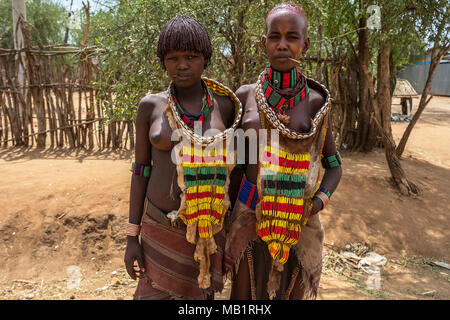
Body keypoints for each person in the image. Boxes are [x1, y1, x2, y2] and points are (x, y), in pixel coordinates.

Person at [224, 2, 342, 300]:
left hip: (298, 220)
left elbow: (334, 165)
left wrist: (314, 205)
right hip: (249, 214)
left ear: (306, 43)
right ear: (264, 43)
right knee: (242, 296)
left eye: (292, 37)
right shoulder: (245, 96)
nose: (283, 44)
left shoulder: (317, 101)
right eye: (274, 37)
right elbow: (233, 165)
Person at [124, 15, 242, 300]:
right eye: (172, 58)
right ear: (163, 61)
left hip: (207, 229)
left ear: (206, 58)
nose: (182, 65)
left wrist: (232, 229)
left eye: (191, 56)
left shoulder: (225, 106)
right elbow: (141, 171)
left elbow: (235, 171)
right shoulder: (150, 106)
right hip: (158, 227)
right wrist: (131, 237)